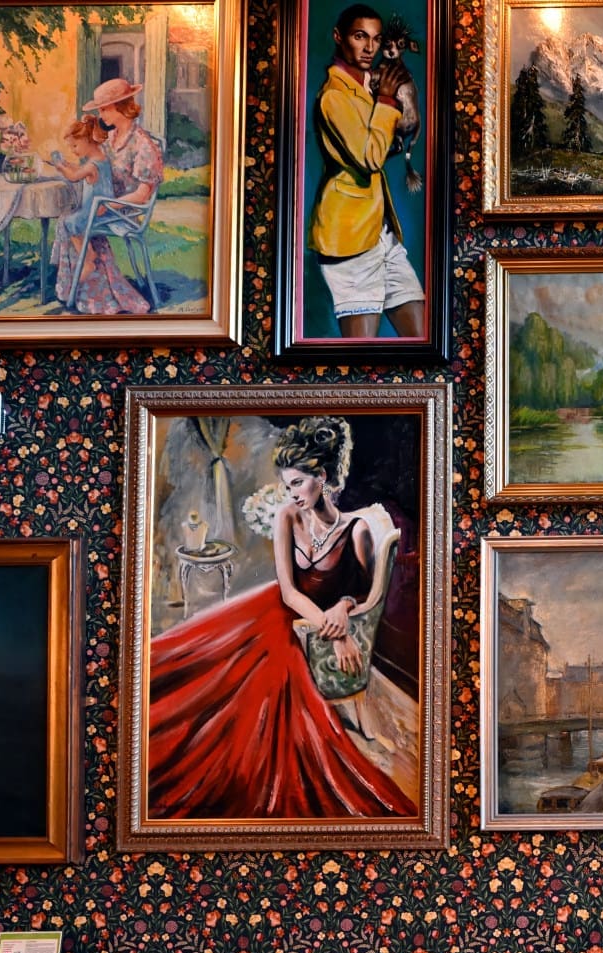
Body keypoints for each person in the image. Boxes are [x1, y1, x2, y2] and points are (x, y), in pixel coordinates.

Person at [145, 417, 412, 819]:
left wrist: (342, 608)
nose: (292, 494)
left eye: (298, 484)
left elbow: (363, 594)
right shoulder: (286, 516)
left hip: (297, 625)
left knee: (266, 678)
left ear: (322, 478)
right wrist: (335, 630)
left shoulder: (355, 530)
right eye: (288, 486)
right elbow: (288, 590)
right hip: (274, 606)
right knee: (190, 659)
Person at [309, 3, 427, 339]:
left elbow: (382, 143)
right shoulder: (334, 96)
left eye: (375, 39)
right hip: (348, 233)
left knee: (422, 338)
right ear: (339, 37)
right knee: (361, 351)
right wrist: (387, 103)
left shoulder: (366, 86)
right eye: (360, 37)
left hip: (380, 229)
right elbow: (370, 158)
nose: (370, 47)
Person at [51, 78, 166, 315]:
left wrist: (110, 204)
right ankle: (79, 286)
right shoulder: (111, 138)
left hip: (123, 211)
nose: (100, 114)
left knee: (71, 222)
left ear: (121, 107)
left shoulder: (143, 144)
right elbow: (97, 169)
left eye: (104, 109)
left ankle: (88, 278)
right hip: (103, 205)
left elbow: (142, 194)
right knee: (66, 218)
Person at [49, 116, 115, 240]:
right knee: (71, 221)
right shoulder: (101, 159)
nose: (72, 151)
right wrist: (69, 165)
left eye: (74, 146)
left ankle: (86, 252)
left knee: (68, 223)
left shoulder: (91, 166)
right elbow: (82, 170)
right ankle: (85, 250)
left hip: (94, 213)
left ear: (87, 139)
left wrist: (61, 168)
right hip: (106, 211)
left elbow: (74, 177)